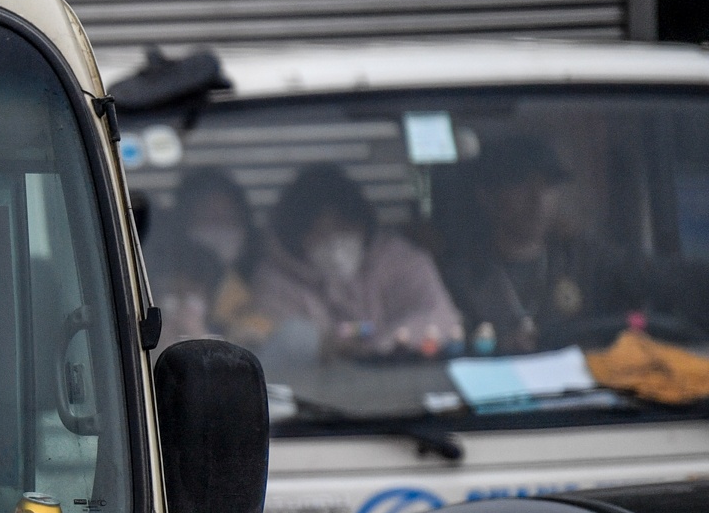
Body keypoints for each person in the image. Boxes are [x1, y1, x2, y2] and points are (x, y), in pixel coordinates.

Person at [439, 134, 702, 352]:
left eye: (548, 185)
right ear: (487, 197)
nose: (538, 199)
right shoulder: (457, 276)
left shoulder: (587, 258)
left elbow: (658, 276)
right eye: (521, 184)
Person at [254, 163, 461, 357]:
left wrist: (381, 348)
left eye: (343, 227)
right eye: (318, 232)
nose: (334, 242)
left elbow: (439, 318)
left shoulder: (402, 262)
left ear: (363, 224)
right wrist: (324, 345)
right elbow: (272, 344)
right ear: (295, 238)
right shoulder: (275, 283)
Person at [169, 168, 272, 346]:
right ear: (183, 223)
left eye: (228, 218)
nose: (219, 227)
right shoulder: (159, 282)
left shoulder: (237, 286)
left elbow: (262, 335)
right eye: (207, 218)